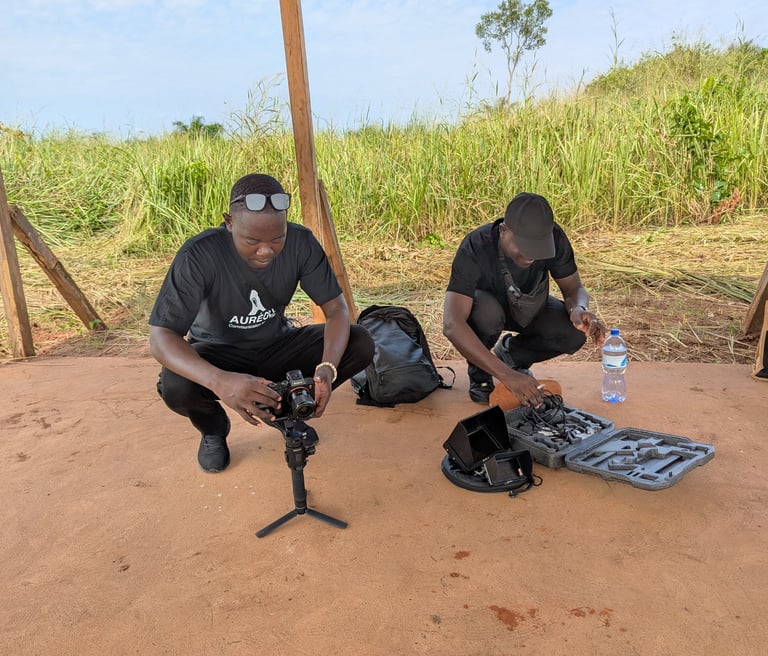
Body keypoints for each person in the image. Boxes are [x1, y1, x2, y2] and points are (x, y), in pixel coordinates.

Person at [149, 173, 374, 473]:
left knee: (359, 342)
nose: (266, 250)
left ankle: (285, 413)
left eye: (277, 239)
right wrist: (220, 381)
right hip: (219, 352)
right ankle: (213, 428)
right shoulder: (199, 254)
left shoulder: (301, 242)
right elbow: (161, 337)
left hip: (276, 345)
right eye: (252, 241)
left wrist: (326, 369)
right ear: (230, 223)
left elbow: (336, 310)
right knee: (175, 384)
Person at [443, 192, 605, 407]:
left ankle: (511, 357)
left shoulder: (555, 237)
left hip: (531, 307)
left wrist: (578, 308)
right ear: (503, 230)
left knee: (572, 334)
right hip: (487, 313)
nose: (531, 255)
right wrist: (507, 377)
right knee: (487, 314)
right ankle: (481, 373)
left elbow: (573, 288)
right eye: (525, 246)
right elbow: (452, 324)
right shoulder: (475, 246)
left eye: (539, 248)